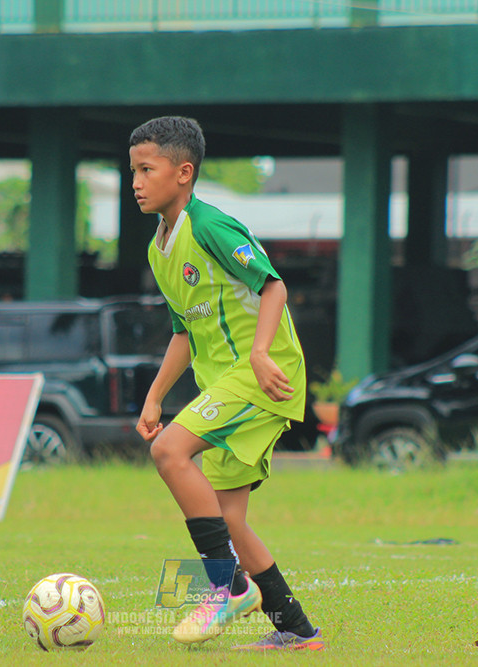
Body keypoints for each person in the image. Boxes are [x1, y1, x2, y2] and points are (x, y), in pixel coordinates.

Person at [129, 116, 324, 651]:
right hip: (226, 382)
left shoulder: (210, 225)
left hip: (264, 376)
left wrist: (260, 353)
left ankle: (228, 588)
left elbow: (273, 286)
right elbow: (183, 333)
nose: (137, 182)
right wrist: (154, 398)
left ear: (183, 173)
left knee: (170, 453)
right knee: (227, 516)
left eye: (147, 170)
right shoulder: (158, 248)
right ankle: (296, 629)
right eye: (133, 172)